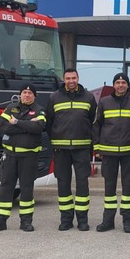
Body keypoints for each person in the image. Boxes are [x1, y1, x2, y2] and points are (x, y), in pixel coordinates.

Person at [0, 84, 46, 233]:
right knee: (5, 187)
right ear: (20, 95)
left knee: (26, 188)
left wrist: (17, 122)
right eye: (24, 92)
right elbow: (3, 127)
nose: (27, 95)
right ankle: (0, 221)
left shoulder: (39, 110)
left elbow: (38, 127)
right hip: (9, 156)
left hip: (29, 156)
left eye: (30, 93)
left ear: (35, 96)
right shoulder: (10, 108)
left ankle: (26, 222)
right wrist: (26, 126)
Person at [47, 68, 97, 231]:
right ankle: (66, 220)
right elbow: (49, 122)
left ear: (78, 78)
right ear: (64, 79)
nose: (71, 81)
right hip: (61, 149)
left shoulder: (89, 97)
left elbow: (91, 120)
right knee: (63, 183)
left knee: (82, 183)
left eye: (73, 78)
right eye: (68, 78)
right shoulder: (54, 97)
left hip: (81, 148)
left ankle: (82, 220)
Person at [92, 72, 130, 233]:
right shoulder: (104, 102)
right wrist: (97, 146)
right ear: (114, 85)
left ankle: (127, 221)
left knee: (128, 189)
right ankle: (108, 221)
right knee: (109, 189)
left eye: (123, 82)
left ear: (127, 85)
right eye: (118, 82)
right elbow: (97, 125)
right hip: (109, 152)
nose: (120, 85)